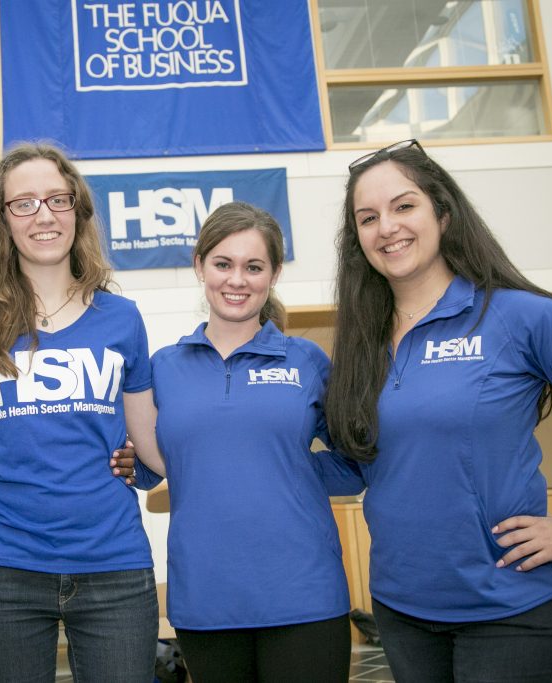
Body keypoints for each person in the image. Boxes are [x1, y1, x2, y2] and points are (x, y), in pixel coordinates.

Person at [323, 139, 552, 681]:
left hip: (513, 609)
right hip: (403, 611)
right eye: (368, 217)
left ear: (443, 213)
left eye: (404, 206)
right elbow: (357, 465)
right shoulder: (361, 346)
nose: (386, 227)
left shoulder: (517, 317)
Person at [0, 142, 159, 682]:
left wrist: (151, 468)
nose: (44, 215)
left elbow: (149, 442)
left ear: (78, 210)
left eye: (58, 199)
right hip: (5, 568)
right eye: (25, 203)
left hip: (114, 566)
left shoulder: (122, 319)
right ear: (3, 219)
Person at [135, 202, 352, 682]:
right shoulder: (163, 368)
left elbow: (355, 464)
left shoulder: (307, 361)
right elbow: (149, 468)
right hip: (205, 598)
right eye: (223, 264)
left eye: (254, 267)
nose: (238, 279)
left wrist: (291, 471)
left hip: (304, 594)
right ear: (200, 266)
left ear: (272, 274)